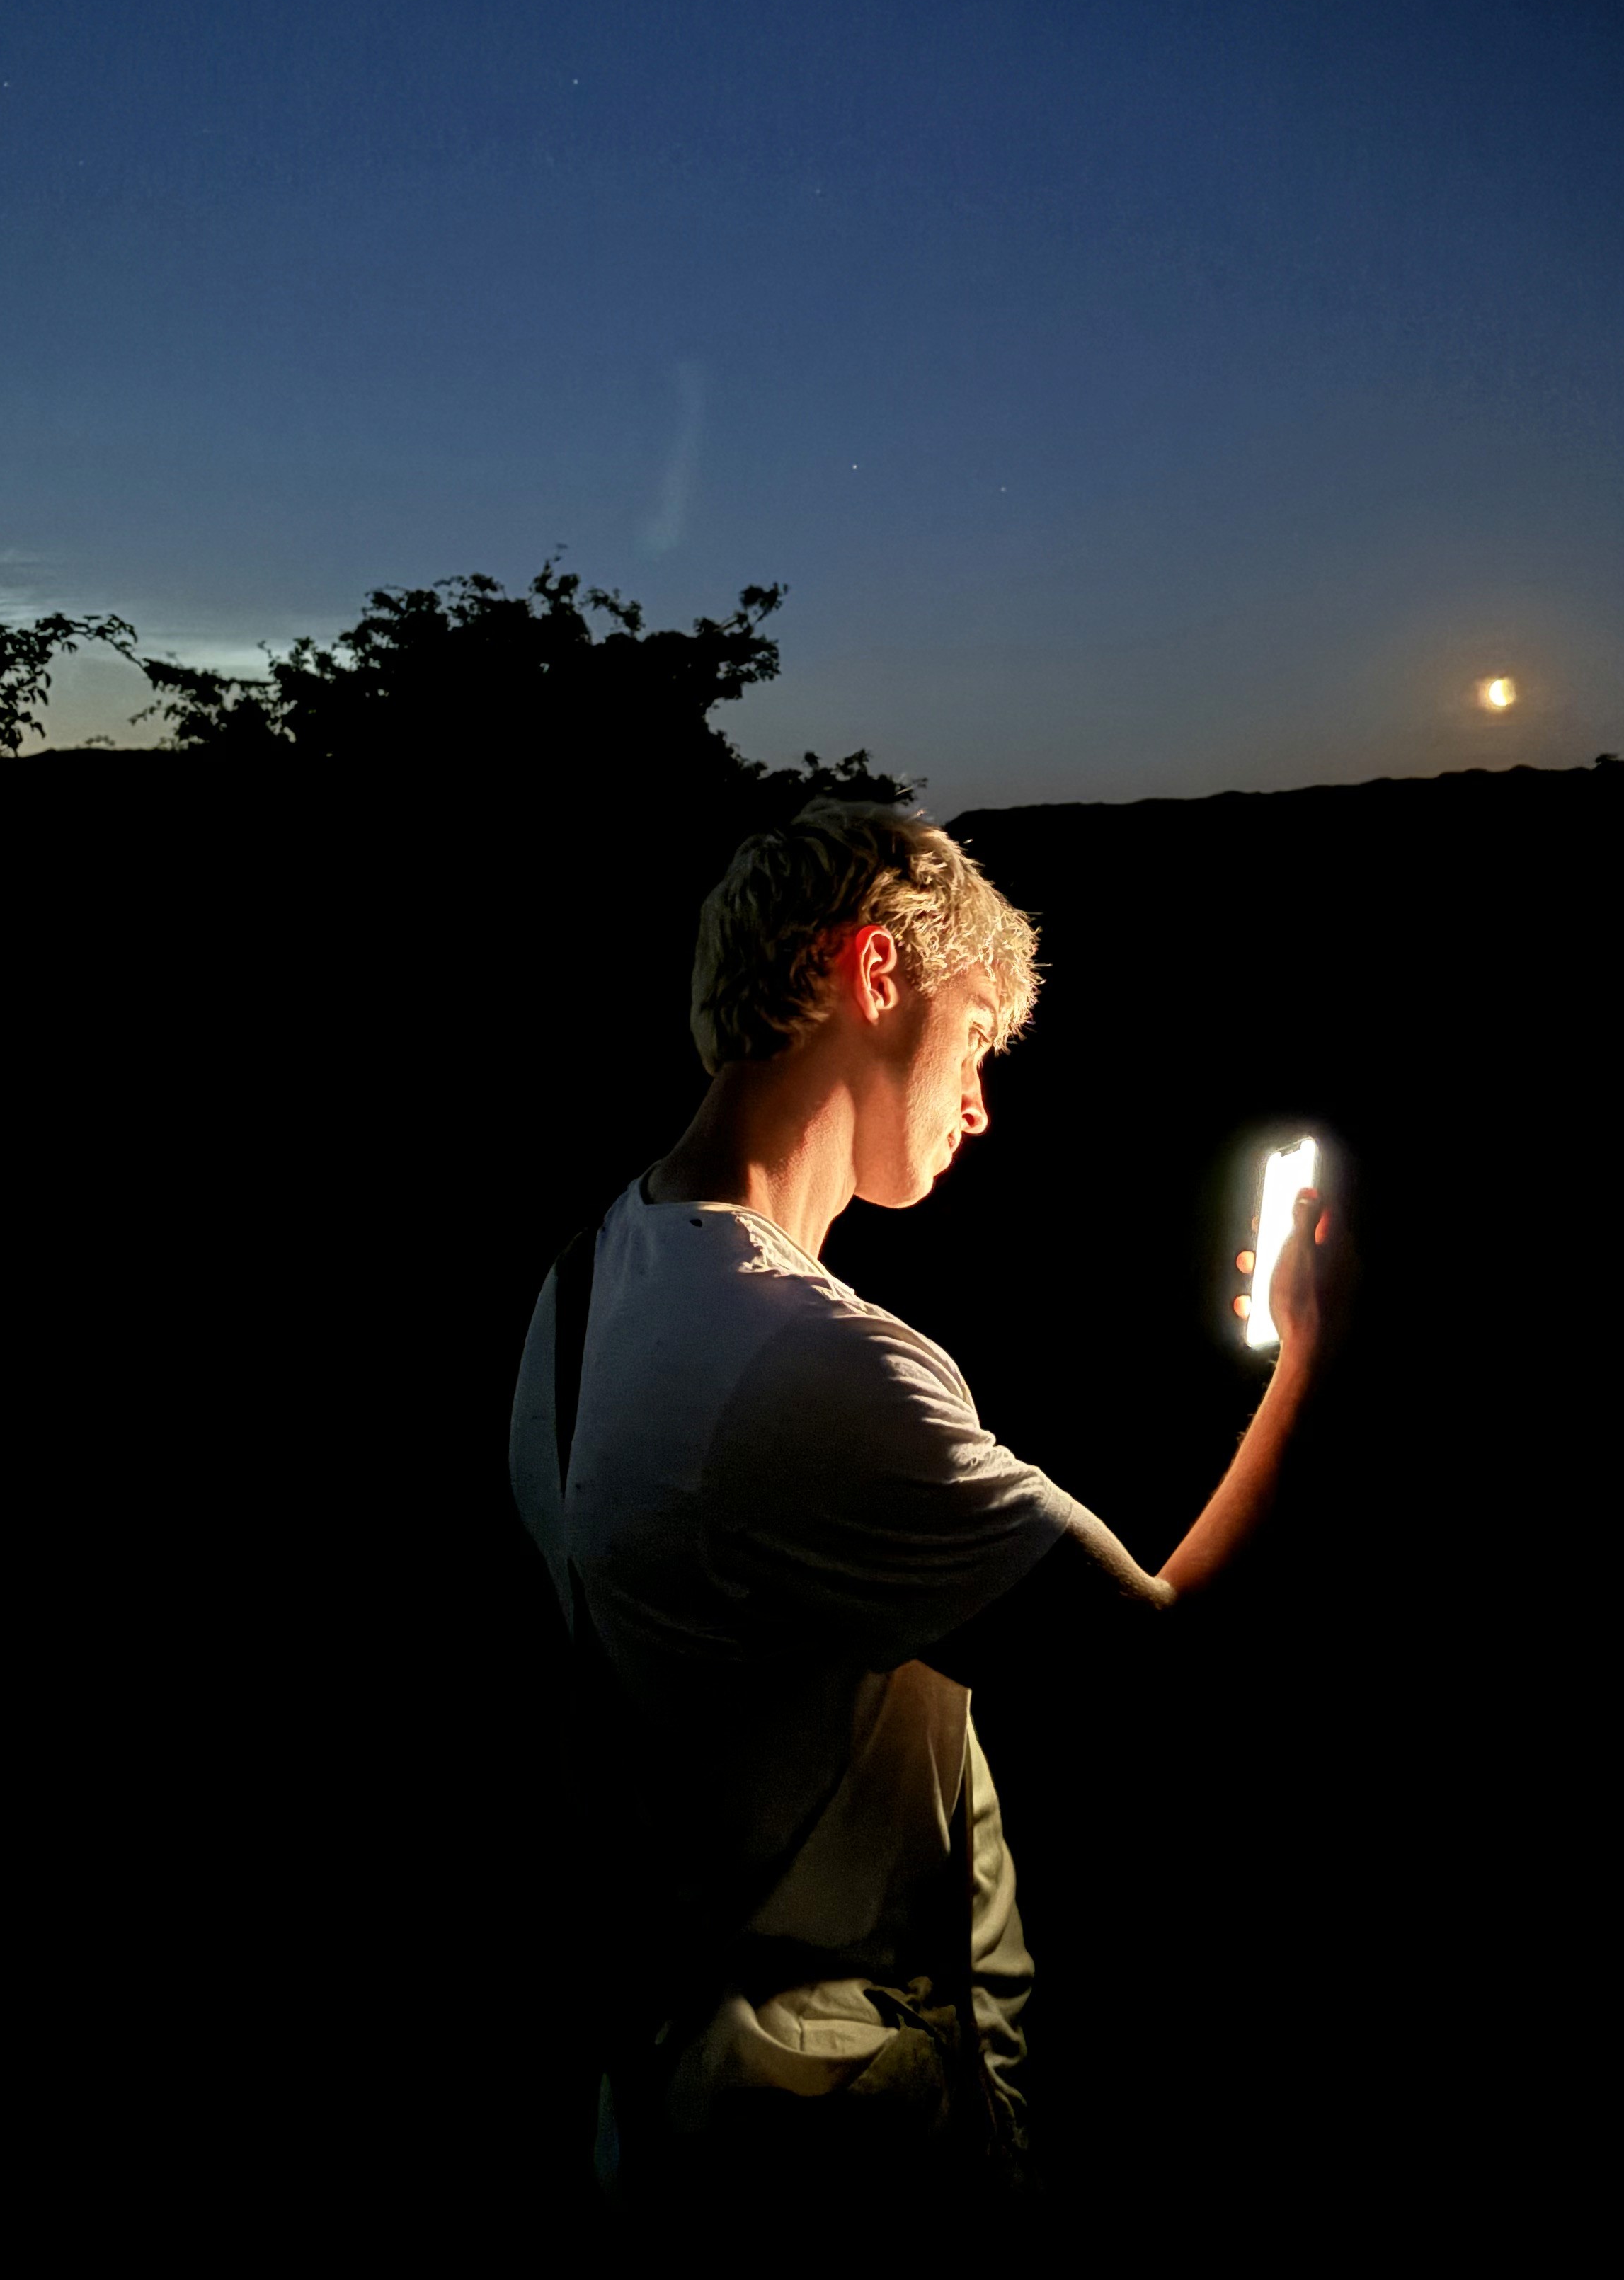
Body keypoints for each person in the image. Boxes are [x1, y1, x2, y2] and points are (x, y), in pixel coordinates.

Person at [508, 799, 1348, 2238]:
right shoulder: (814, 1367)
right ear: (875, 979)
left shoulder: (581, 1287)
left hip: (674, 2099)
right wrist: (1323, 1356)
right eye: (973, 1042)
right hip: (852, 2153)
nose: (979, 1104)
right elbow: (1158, 1673)